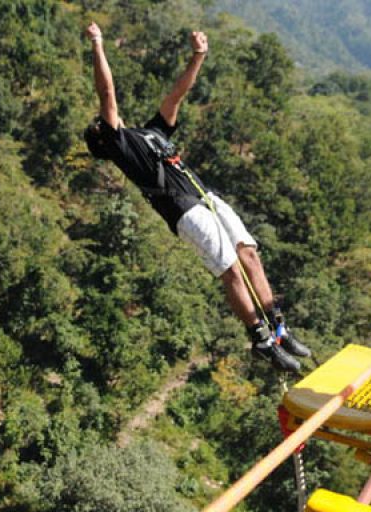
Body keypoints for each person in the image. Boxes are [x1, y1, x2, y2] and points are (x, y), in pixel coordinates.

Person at [82, 22, 311, 373]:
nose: (106, 119)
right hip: (183, 209)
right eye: (102, 124)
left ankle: (279, 328)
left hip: (205, 197)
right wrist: (98, 44)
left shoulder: (150, 133)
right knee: (231, 270)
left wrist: (198, 56)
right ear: (103, 139)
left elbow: (176, 95)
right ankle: (260, 339)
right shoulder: (120, 147)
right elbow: (107, 92)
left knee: (249, 255)